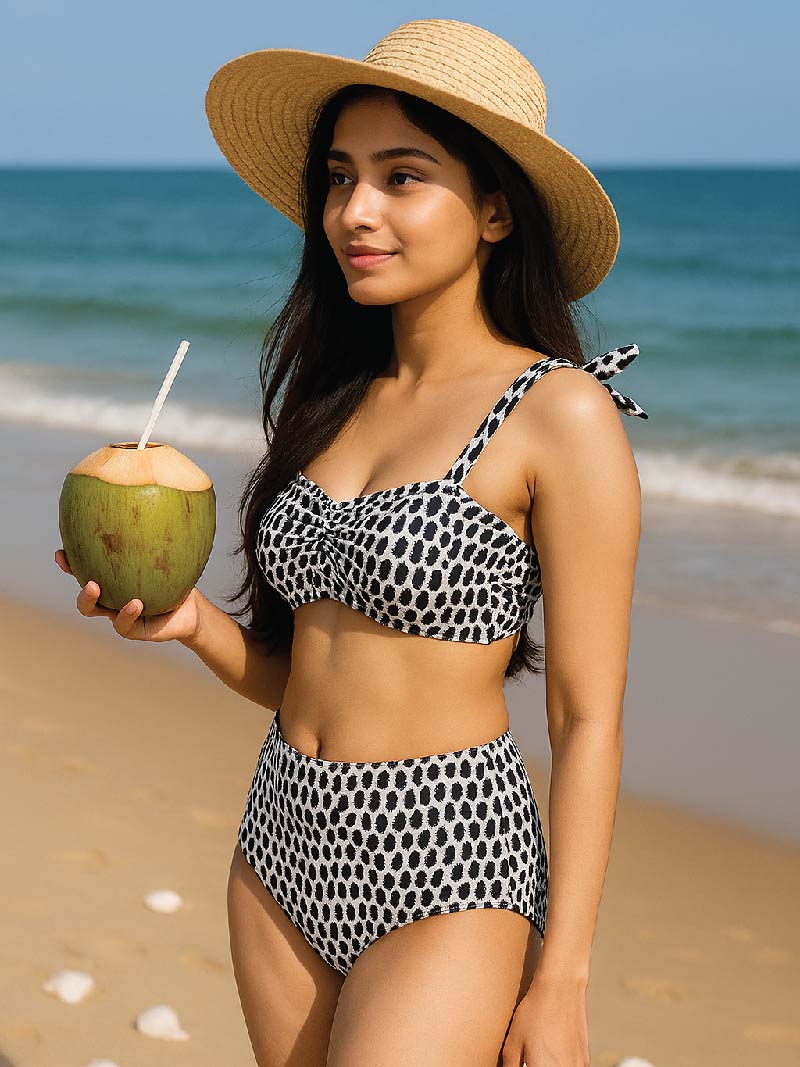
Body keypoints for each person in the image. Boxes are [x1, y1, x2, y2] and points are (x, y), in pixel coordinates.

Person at [57, 18, 647, 1067]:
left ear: (496, 210)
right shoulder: (331, 403)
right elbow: (304, 677)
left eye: (400, 177)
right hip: (280, 834)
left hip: (450, 853)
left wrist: (560, 976)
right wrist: (192, 624)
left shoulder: (557, 411)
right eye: (339, 177)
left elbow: (586, 713)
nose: (352, 212)